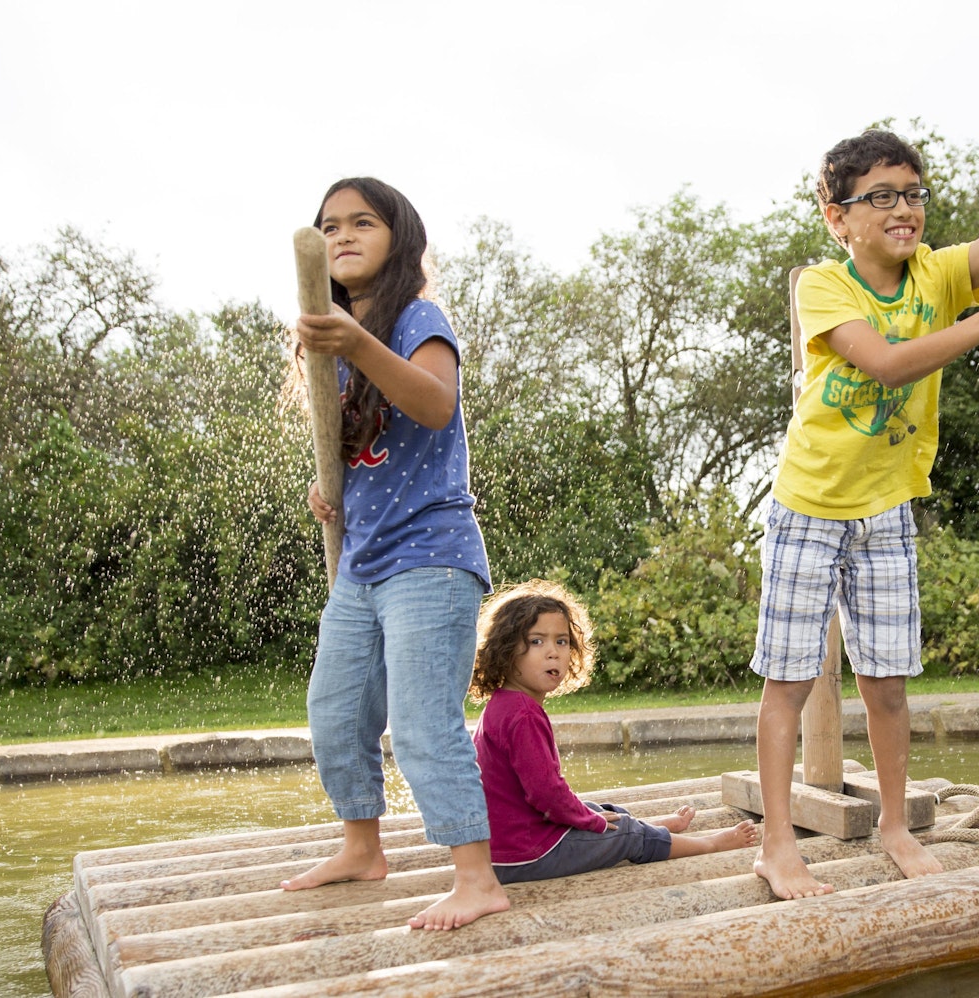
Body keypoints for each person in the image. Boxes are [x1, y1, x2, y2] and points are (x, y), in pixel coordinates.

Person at [749, 20, 979, 900]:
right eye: (881, 196)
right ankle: (776, 843)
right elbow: (887, 363)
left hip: (886, 507)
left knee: (886, 685)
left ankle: (895, 823)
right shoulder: (823, 285)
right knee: (788, 681)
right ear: (838, 217)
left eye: (914, 193)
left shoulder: (939, 272)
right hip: (809, 503)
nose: (904, 210)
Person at [281, 176, 509, 931]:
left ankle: (476, 878)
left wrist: (357, 342)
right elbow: (360, 450)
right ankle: (361, 847)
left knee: (421, 722)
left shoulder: (417, 319)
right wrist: (331, 491)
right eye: (329, 226)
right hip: (362, 562)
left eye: (363, 222)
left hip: (430, 556)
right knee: (336, 712)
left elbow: (434, 405)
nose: (343, 235)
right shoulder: (336, 344)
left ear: (399, 236)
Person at [472, 579, 760, 883]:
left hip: (506, 847)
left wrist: (588, 815)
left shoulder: (504, 704)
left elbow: (543, 795)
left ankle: (653, 829)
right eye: (536, 641)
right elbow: (546, 793)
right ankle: (708, 844)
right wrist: (590, 822)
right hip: (528, 854)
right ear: (506, 649)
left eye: (562, 641)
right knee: (627, 834)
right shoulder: (523, 715)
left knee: (596, 809)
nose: (553, 652)